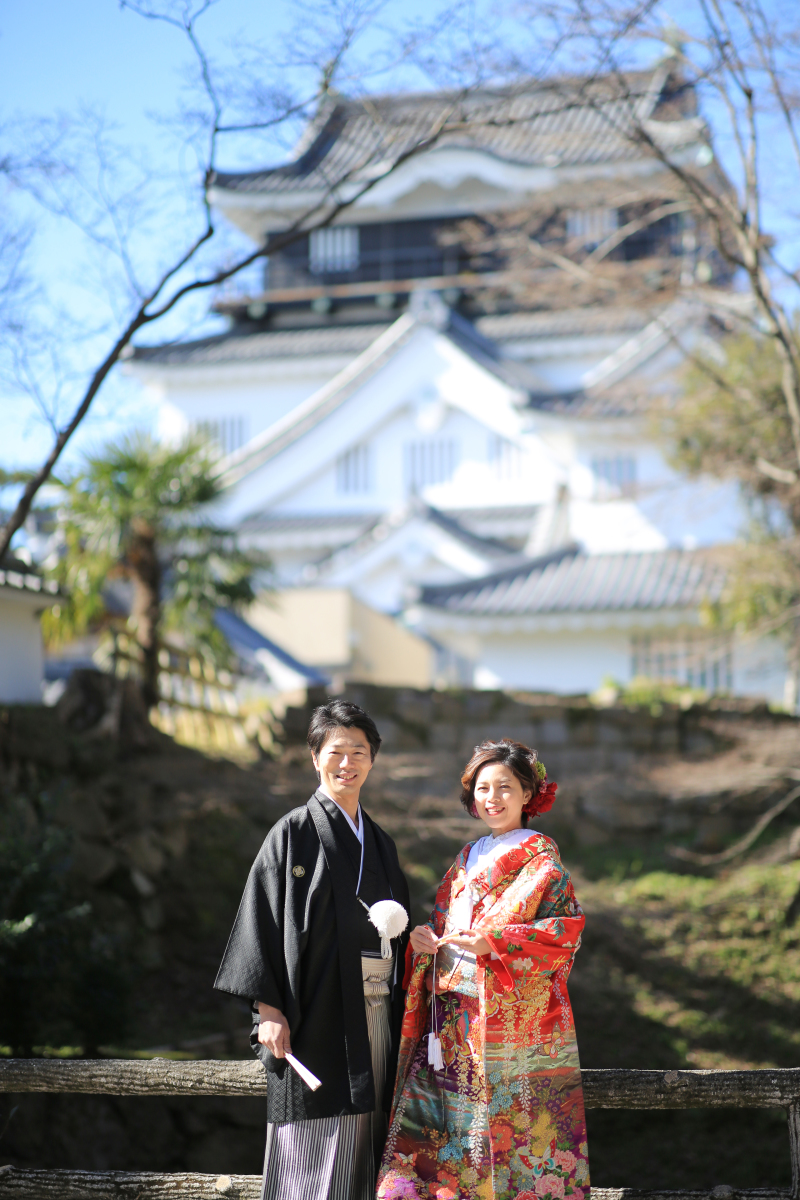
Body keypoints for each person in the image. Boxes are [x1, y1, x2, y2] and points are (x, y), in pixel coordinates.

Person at [214, 699, 410, 1200]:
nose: (348, 763)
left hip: (376, 1012)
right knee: (312, 1142)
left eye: (359, 752)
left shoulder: (381, 843)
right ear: (315, 756)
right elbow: (261, 921)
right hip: (315, 1014)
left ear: (373, 759)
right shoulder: (293, 833)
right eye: (336, 751)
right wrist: (268, 1008)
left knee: (368, 1139)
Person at [377, 738, 590, 1200]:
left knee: (499, 1139)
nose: (491, 798)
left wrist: (495, 943)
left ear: (529, 794)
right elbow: (443, 923)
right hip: (450, 1017)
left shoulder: (543, 863)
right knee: (440, 1132)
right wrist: (424, 940)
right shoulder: (465, 859)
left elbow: (565, 934)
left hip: (502, 1022)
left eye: (504, 787)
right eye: (482, 787)